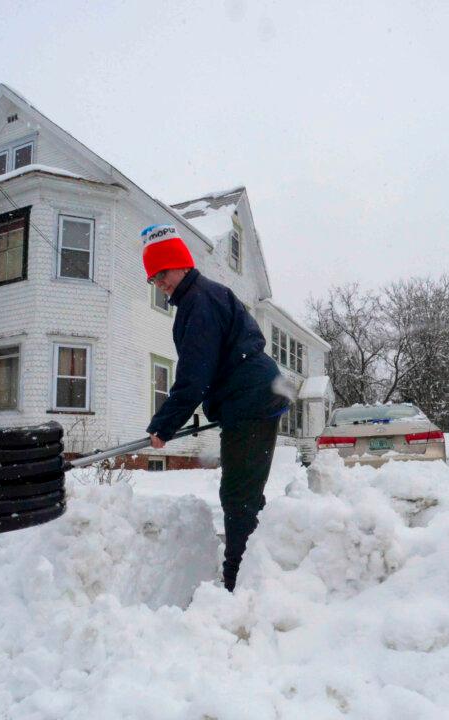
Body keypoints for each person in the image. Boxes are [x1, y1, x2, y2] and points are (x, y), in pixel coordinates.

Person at [140, 223, 289, 592]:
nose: (160, 284)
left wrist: (164, 426)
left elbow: (195, 376)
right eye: (154, 280)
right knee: (244, 491)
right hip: (252, 396)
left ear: (181, 264)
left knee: (238, 495)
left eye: (163, 274)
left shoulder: (199, 302)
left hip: (251, 400)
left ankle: (238, 580)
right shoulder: (204, 297)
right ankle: (256, 565)